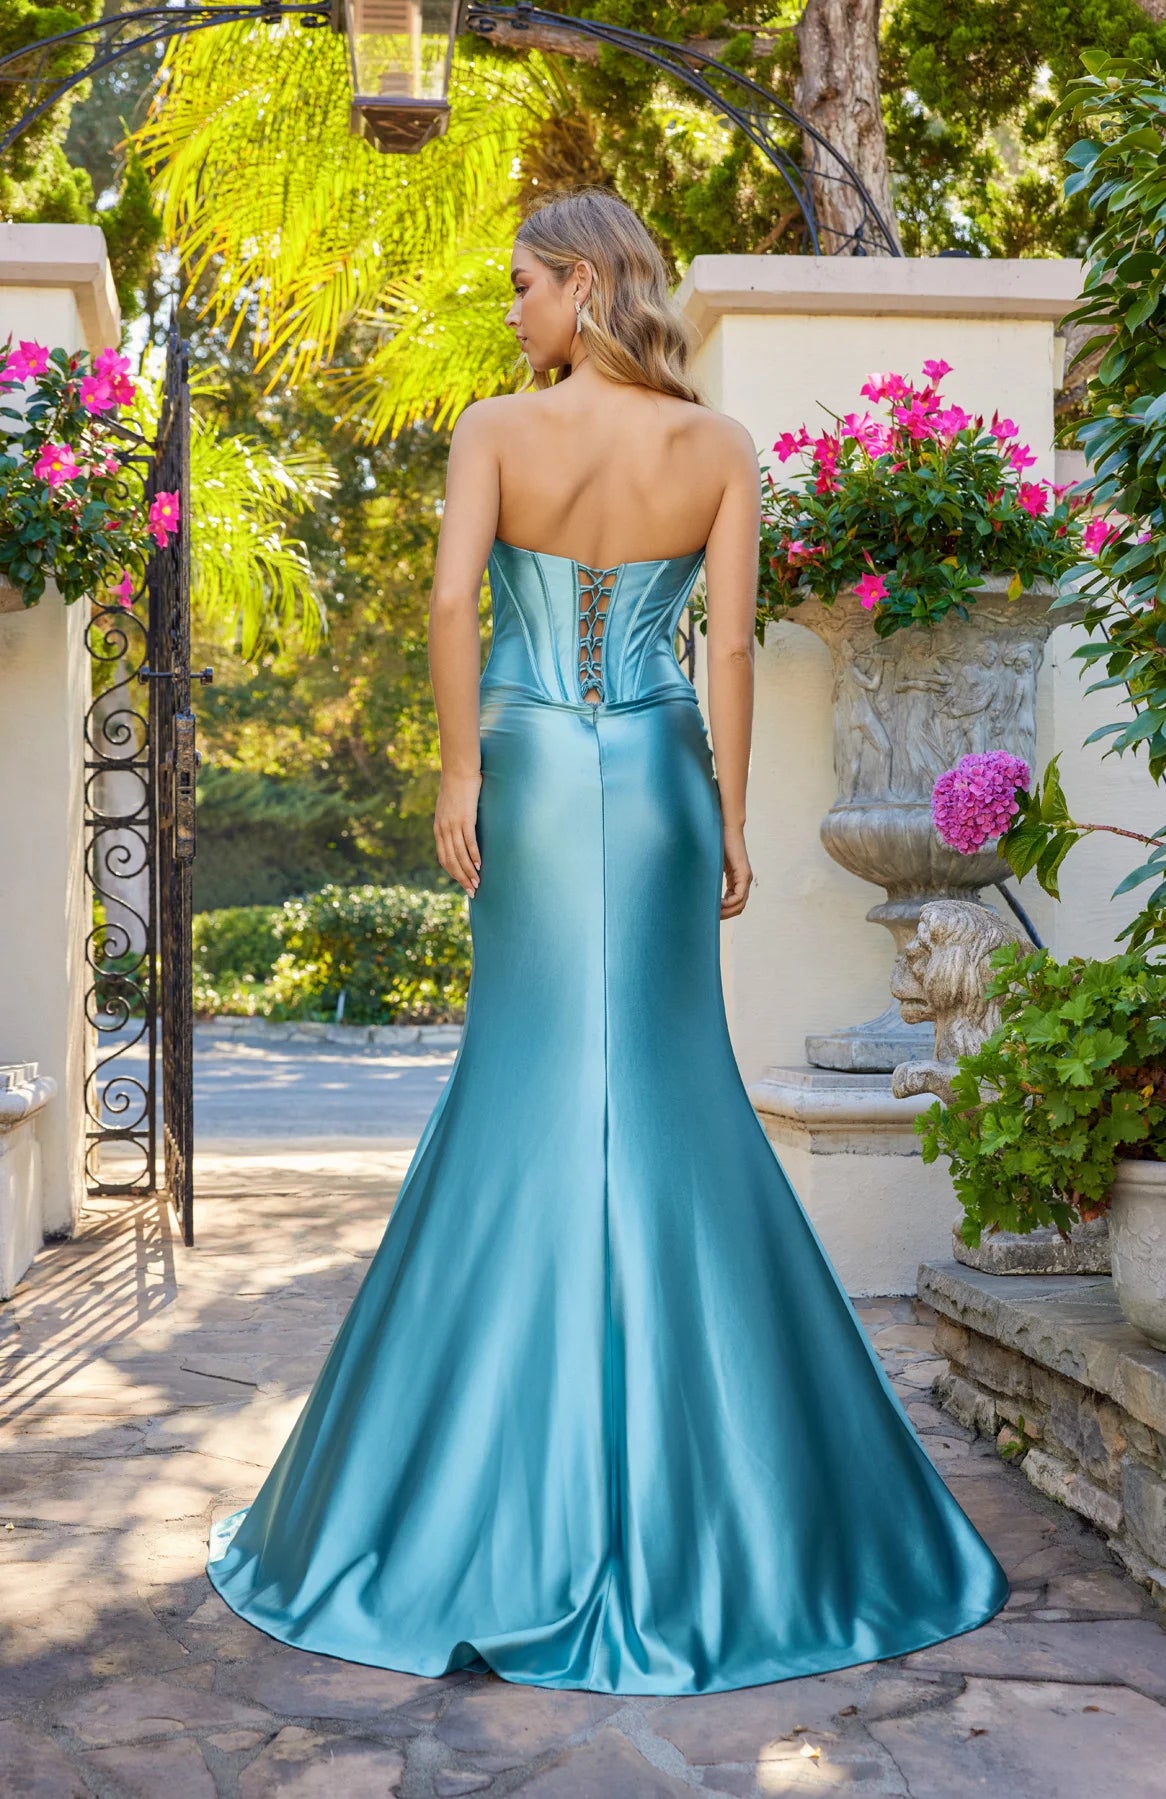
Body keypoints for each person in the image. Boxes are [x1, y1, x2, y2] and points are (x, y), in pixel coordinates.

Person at [206, 187, 1010, 1696]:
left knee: (519, 1082)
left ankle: (459, 1492)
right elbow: (723, 649)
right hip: (654, 780)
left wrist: (459, 768)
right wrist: (734, 815)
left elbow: (454, 599)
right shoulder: (717, 449)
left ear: (582, 285)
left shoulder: (495, 433)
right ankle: (737, 1499)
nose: (511, 311)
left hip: (520, 759)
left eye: (522, 284)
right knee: (665, 1087)